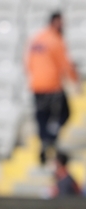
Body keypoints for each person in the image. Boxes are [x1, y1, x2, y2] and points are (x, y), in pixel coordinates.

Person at [25, 11, 79, 165]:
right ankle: (51, 136)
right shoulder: (56, 40)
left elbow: (28, 63)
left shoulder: (37, 39)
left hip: (36, 86)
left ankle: (45, 142)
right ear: (55, 22)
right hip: (52, 86)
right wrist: (75, 82)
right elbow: (65, 64)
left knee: (42, 117)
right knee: (65, 113)